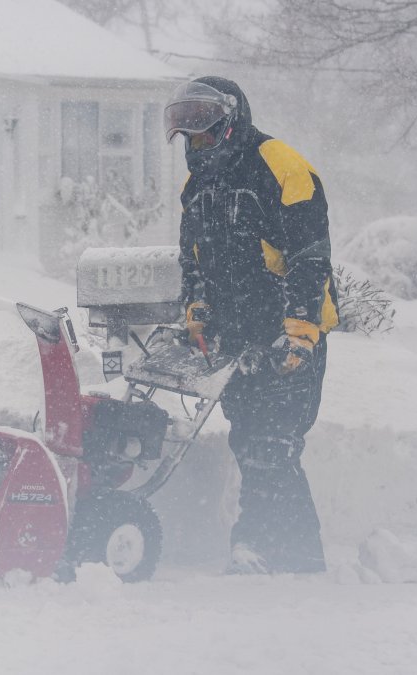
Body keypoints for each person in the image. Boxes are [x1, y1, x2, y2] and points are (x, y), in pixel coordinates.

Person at [163, 76, 339, 574]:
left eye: (204, 133)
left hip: (289, 332)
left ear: (231, 122)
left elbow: (309, 256)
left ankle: (268, 549)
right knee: (250, 440)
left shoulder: (281, 166)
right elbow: (193, 257)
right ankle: (289, 554)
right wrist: (196, 309)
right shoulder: (197, 185)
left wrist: (301, 329)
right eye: (189, 138)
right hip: (238, 336)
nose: (197, 145)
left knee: (274, 443)